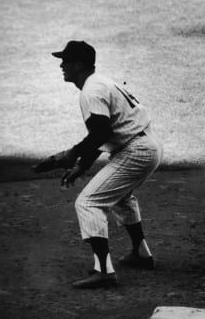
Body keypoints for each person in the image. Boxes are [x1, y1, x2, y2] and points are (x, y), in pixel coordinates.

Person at [33, 40, 163, 288]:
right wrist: (82, 165)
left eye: (66, 61)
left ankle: (104, 271)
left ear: (79, 64)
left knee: (88, 202)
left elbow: (100, 133)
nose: (61, 65)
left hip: (136, 150)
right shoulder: (99, 83)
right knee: (121, 197)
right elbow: (101, 134)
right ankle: (141, 254)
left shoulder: (91, 92)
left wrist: (72, 154)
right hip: (145, 145)